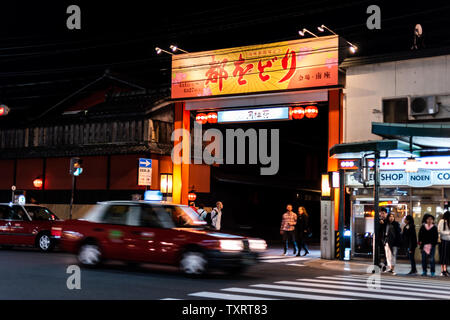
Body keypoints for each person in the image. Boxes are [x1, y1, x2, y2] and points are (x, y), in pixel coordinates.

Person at [438, 211, 450, 277]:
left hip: (448, 240)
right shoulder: (442, 221)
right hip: (444, 240)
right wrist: (448, 233)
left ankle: (445, 270)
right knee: (444, 256)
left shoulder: (447, 221)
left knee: (447, 256)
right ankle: (443, 270)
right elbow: (440, 231)